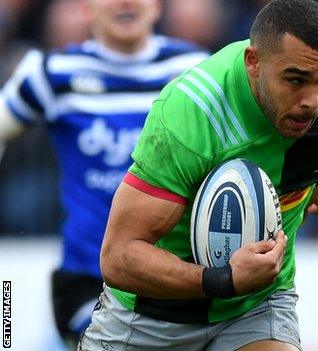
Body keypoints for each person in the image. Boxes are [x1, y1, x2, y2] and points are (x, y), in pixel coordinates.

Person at [79, 0, 318, 350]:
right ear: (253, 63)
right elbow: (118, 257)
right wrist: (224, 280)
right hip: (151, 317)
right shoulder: (191, 113)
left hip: (256, 305)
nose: (312, 100)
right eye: (295, 80)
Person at [0, 0, 207, 347]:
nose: (125, 2)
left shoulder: (196, 70)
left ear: (157, 5)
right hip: (86, 280)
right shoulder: (52, 73)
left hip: (174, 280)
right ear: (85, 8)